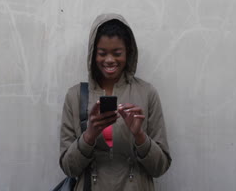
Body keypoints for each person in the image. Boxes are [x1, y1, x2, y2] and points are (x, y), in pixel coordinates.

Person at [59, 13, 171, 190]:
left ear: (128, 52)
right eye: (102, 53)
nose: (109, 60)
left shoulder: (147, 93)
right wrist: (89, 135)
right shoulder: (76, 96)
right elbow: (68, 167)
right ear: (93, 54)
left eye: (117, 53)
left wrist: (140, 136)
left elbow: (160, 167)